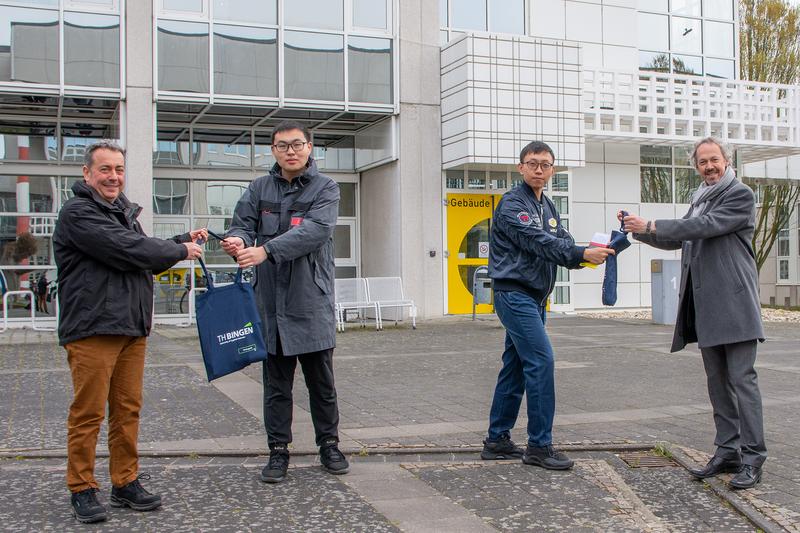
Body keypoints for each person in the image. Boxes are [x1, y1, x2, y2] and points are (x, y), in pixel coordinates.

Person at [54, 140, 205, 523]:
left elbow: (139, 255)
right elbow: (127, 249)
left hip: (131, 327)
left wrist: (180, 243)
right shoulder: (78, 213)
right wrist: (176, 251)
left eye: (119, 169)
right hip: (93, 328)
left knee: (127, 410)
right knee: (88, 413)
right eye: (105, 169)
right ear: (87, 173)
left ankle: (125, 482)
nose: (113, 176)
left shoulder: (123, 213)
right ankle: (82, 487)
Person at [621, 137, 766, 490]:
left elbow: (705, 228)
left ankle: (753, 458)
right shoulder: (700, 198)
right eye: (703, 162)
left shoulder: (739, 195)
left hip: (735, 305)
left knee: (742, 382)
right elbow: (680, 239)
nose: (709, 167)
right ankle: (727, 451)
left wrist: (652, 224)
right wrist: (639, 232)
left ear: (726, 161)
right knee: (718, 384)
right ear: (696, 166)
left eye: (714, 160)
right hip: (707, 307)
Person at [221, 120, 347, 484]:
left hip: (310, 300)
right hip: (270, 303)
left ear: (310, 147)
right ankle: (278, 450)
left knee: (321, 384)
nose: (290, 151)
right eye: (281, 145)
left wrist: (266, 251)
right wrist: (239, 242)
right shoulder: (258, 188)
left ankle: (330, 444)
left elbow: (315, 231)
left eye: (296, 144)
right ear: (273, 150)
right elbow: (241, 224)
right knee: (276, 386)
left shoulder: (326, 187)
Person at [482, 141, 615, 469]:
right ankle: (539, 446)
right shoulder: (513, 205)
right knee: (541, 363)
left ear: (553, 169)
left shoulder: (548, 207)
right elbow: (539, 242)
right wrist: (580, 254)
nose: (539, 169)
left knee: (514, 368)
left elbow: (563, 243)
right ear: (521, 168)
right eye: (533, 163)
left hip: (535, 298)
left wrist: (594, 250)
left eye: (545, 164)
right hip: (514, 295)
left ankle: (497, 440)